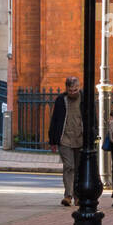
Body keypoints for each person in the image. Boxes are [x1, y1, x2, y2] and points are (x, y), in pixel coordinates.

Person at [48, 75, 84, 207]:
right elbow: (55, 120)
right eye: (70, 90)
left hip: (80, 138)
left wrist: (93, 135)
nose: (73, 93)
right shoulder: (60, 100)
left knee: (79, 169)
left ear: (79, 87)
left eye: (75, 90)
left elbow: (92, 118)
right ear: (66, 89)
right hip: (65, 139)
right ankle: (68, 196)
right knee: (69, 166)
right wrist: (52, 140)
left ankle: (78, 196)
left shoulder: (84, 99)